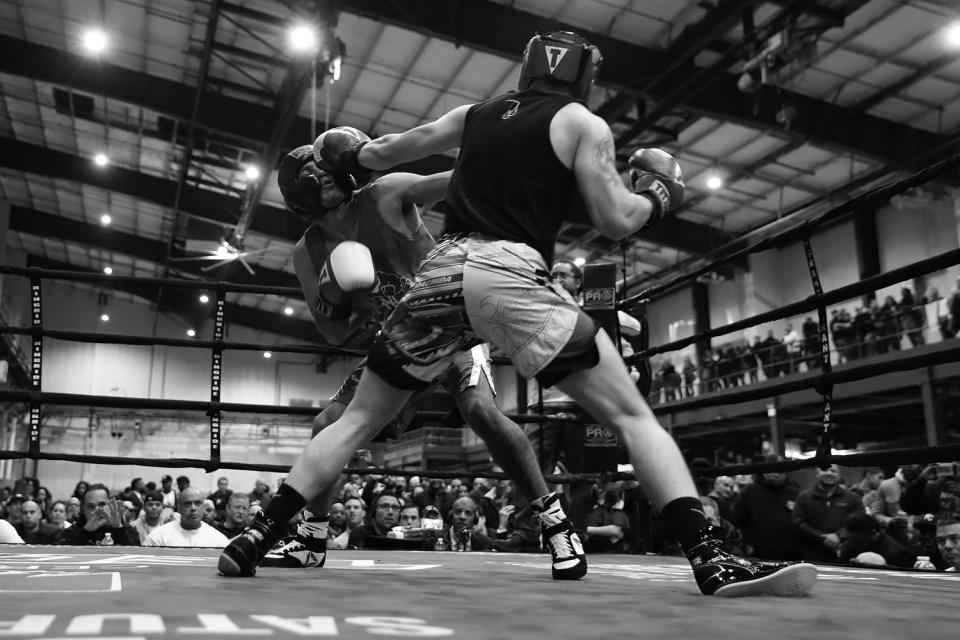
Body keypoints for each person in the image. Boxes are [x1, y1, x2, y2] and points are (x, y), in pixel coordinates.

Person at [219, 30, 816, 597]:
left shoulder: (472, 116)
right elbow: (618, 220)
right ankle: (710, 556)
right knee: (632, 415)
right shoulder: (582, 121)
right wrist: (662, 190)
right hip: (506, 273)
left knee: (359, 424)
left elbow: (376, 151)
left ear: (526, 69)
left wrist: (343, 148)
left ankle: (258, 532)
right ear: (585, 78)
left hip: (439, 278)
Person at [258, 141, 570, 575]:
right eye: (317, 170)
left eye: (329, 166)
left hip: (454, 323)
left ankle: (556, 525)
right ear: (300, 189)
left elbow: (458, 183)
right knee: (326, 424)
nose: (328, 173)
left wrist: (518, 157)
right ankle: (311, 538)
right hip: (399, 343)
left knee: (481, 410)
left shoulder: (384, 193)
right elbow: (332, 332)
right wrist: (334, 288)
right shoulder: (307, 252)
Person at [143, 487, 229, 547]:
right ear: (179, 508)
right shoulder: (158, 537)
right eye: (187, 504)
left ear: (203, 507)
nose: (193, 508)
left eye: (198, 504)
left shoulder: (219, 540)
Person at [63, 484, 137, 546]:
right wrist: (85, 531)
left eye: (102, 505)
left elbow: (137, 557)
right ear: (83, 509)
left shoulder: (127, 529)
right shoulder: (72, 531)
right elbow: (61, 556)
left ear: (110, 505)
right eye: (91, 506)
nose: (97, 510)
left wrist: (119, 529)